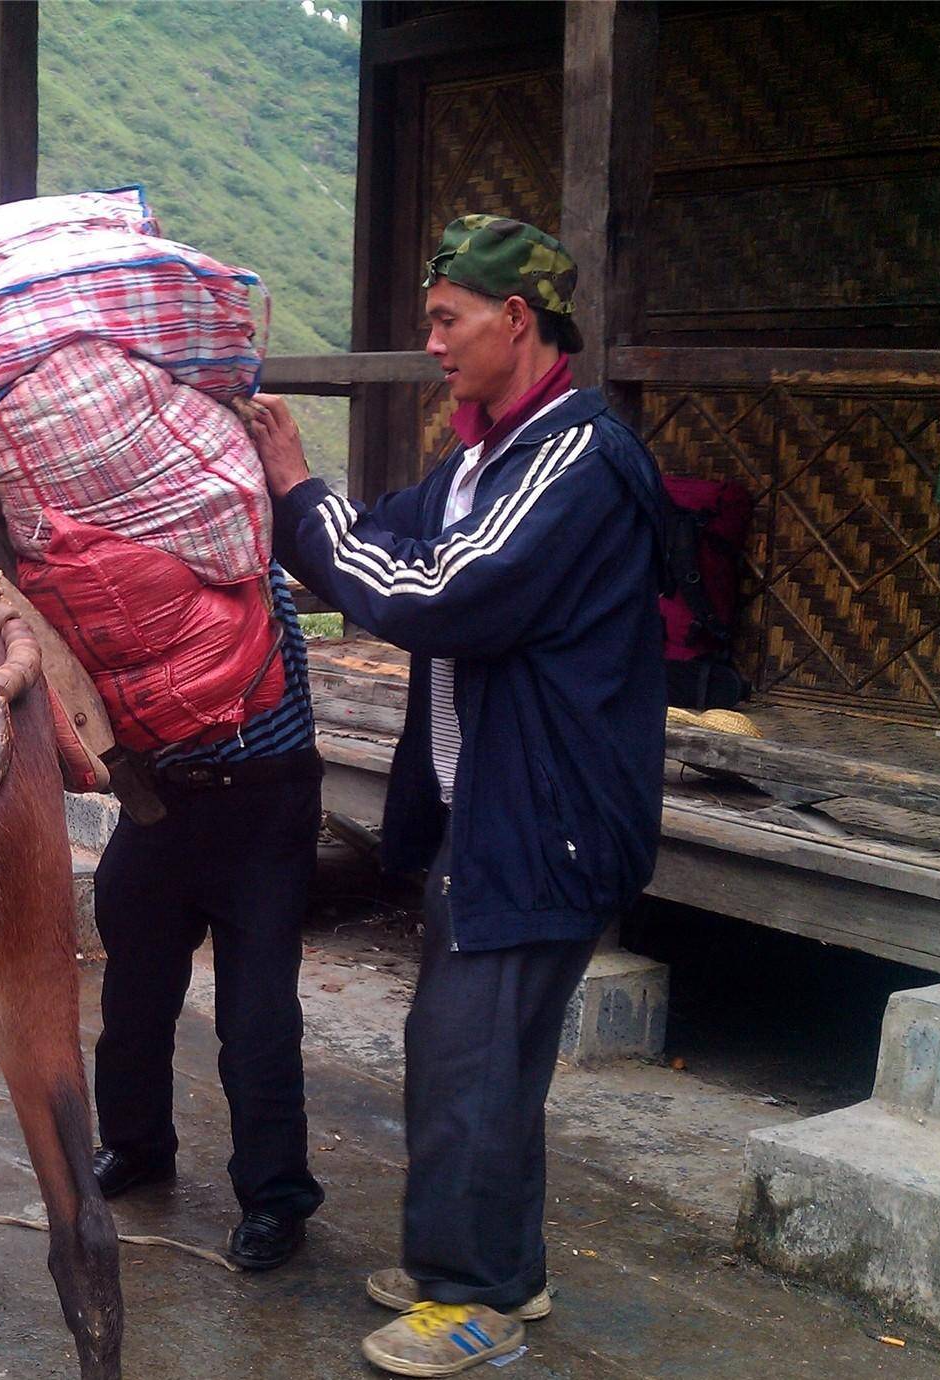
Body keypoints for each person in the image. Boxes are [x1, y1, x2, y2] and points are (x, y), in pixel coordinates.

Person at [241, 216, 666, 1376]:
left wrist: (294, 492)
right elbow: (383, 538)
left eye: (445, 320)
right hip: (493, 810)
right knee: (481, 1051)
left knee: (469, 1056)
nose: (430, 342)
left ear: (512, 320)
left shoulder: (574, 460)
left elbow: (431, 592)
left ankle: (468, 1298)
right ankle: (499, 1268)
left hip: (547, 816)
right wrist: (297, 512)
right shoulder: (489, 457)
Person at [89, 569, 326, 1271]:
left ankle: (275, 1198)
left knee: (257, 1020)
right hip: (160, 805)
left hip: (264, 804)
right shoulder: (117, 565)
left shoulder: (235, 549)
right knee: (132, 997)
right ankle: (136, 1146)